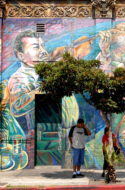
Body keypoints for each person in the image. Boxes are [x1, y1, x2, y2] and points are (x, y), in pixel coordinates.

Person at [7, 30, 79, 167]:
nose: (42, 50)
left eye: (42, 45)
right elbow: (16, 107)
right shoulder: (19, 78)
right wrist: (44, 85)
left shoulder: (50, 70)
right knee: (52, 173)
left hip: (69, 133)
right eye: (36, 47)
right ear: (21, 56)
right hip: (47, 138)